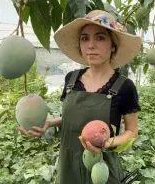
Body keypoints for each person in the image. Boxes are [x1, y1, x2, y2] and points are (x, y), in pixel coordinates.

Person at [19, 10, 142, 184]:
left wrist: (108, 142)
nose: (91, 45)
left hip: (101, 169)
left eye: (100, 38)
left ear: (113, 45)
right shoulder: (71, 79)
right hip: (68, 167)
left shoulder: (124, 86)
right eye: (85, 38)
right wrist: (49, 123)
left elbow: (132, 132)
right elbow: (74, 117)